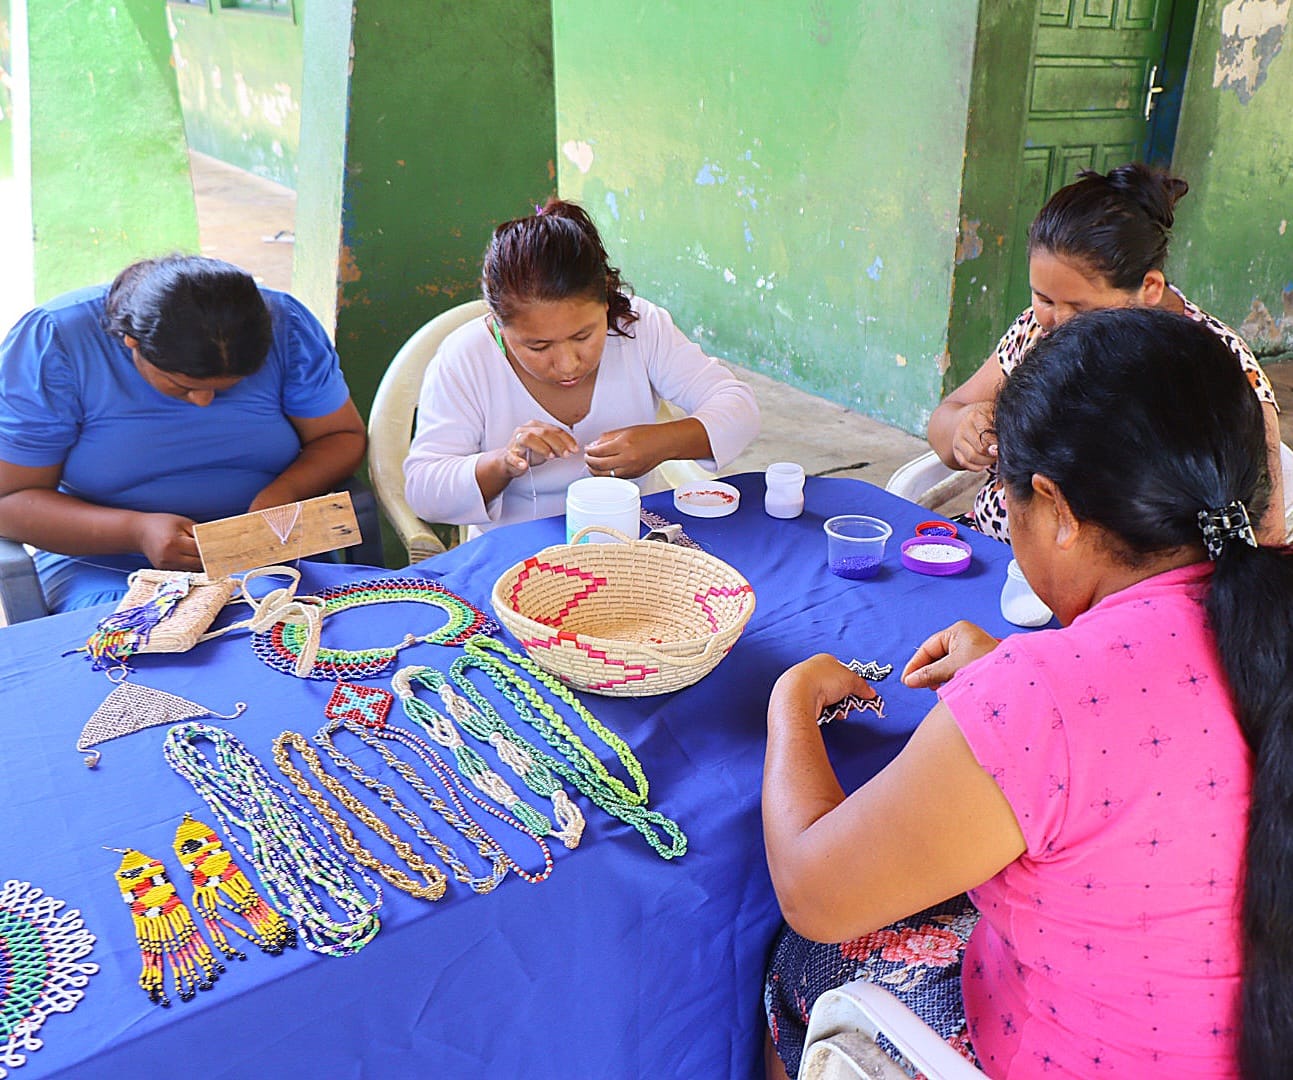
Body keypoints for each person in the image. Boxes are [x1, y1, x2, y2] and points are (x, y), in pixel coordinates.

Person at [763, 308, 1293, 1078]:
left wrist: (790, 699)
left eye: (1008, 501)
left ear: (1058, 509)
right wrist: (1012, 680)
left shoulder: (1043, 696)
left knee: (801, 958)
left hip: (1063, 1056)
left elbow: (814, 892)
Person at [927, 163, 1285, 544]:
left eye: (1081, 308)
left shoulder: (1213, 367)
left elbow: (1266, 532)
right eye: (1043, 297)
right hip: (993, 550)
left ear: (1149, 287)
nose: (1058, 321)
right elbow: (944, 422)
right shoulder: (1036, 328)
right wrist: (963, 427)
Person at [0, 255, 367, 612]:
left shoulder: (286, 323)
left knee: (285, 625)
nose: (204, 402)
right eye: (183, 387)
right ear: (132, 343)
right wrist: (136, 532)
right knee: (142, 641)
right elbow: (11, 499)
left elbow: (339, 437)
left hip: (268, 552)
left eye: (230, 386)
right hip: (107, 565)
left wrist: (284, 494)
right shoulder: (58, 341)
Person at [402, 199, 759, 535]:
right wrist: (504, 463)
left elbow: (738, 407)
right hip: (515, 556)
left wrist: (662, 443)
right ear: (497, 324)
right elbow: (423, 489)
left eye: (584, 335)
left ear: (606, 299)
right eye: (538, 346)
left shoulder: (640, 326)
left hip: (631, 541)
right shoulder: (465, 358)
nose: (568, 364)